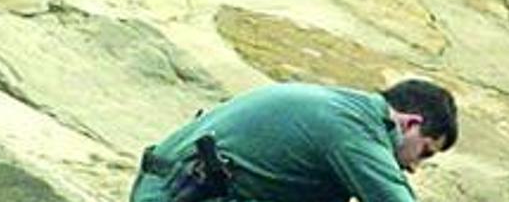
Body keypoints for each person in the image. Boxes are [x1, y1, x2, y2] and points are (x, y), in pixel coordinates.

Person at [130, 79, 458, 202]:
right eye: (424, 152)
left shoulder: (341, 106)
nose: (414, 167)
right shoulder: (355, 128)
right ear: (410, 123)